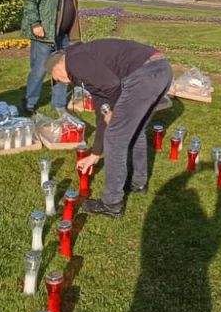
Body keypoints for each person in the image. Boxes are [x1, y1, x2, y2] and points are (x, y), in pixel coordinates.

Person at [49, 38, 173, 218]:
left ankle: (112, 203)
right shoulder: (85, 60)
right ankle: (138, 183)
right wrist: (95, 153)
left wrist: (114, 111)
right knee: (135, 130)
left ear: (57, 66)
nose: (62, 82)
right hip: (161, 69)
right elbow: (102, 109)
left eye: (57, 78)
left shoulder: (74, 61)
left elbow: (113, 86)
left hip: (144, 74)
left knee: (115, 138)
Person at [20, 0, 82, 116]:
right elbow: (30, 0)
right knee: (39, 70)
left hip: (63, 36)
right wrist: (35, 24)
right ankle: (29, 103)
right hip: (44, 35)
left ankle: (59, 105)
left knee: (62, 69)